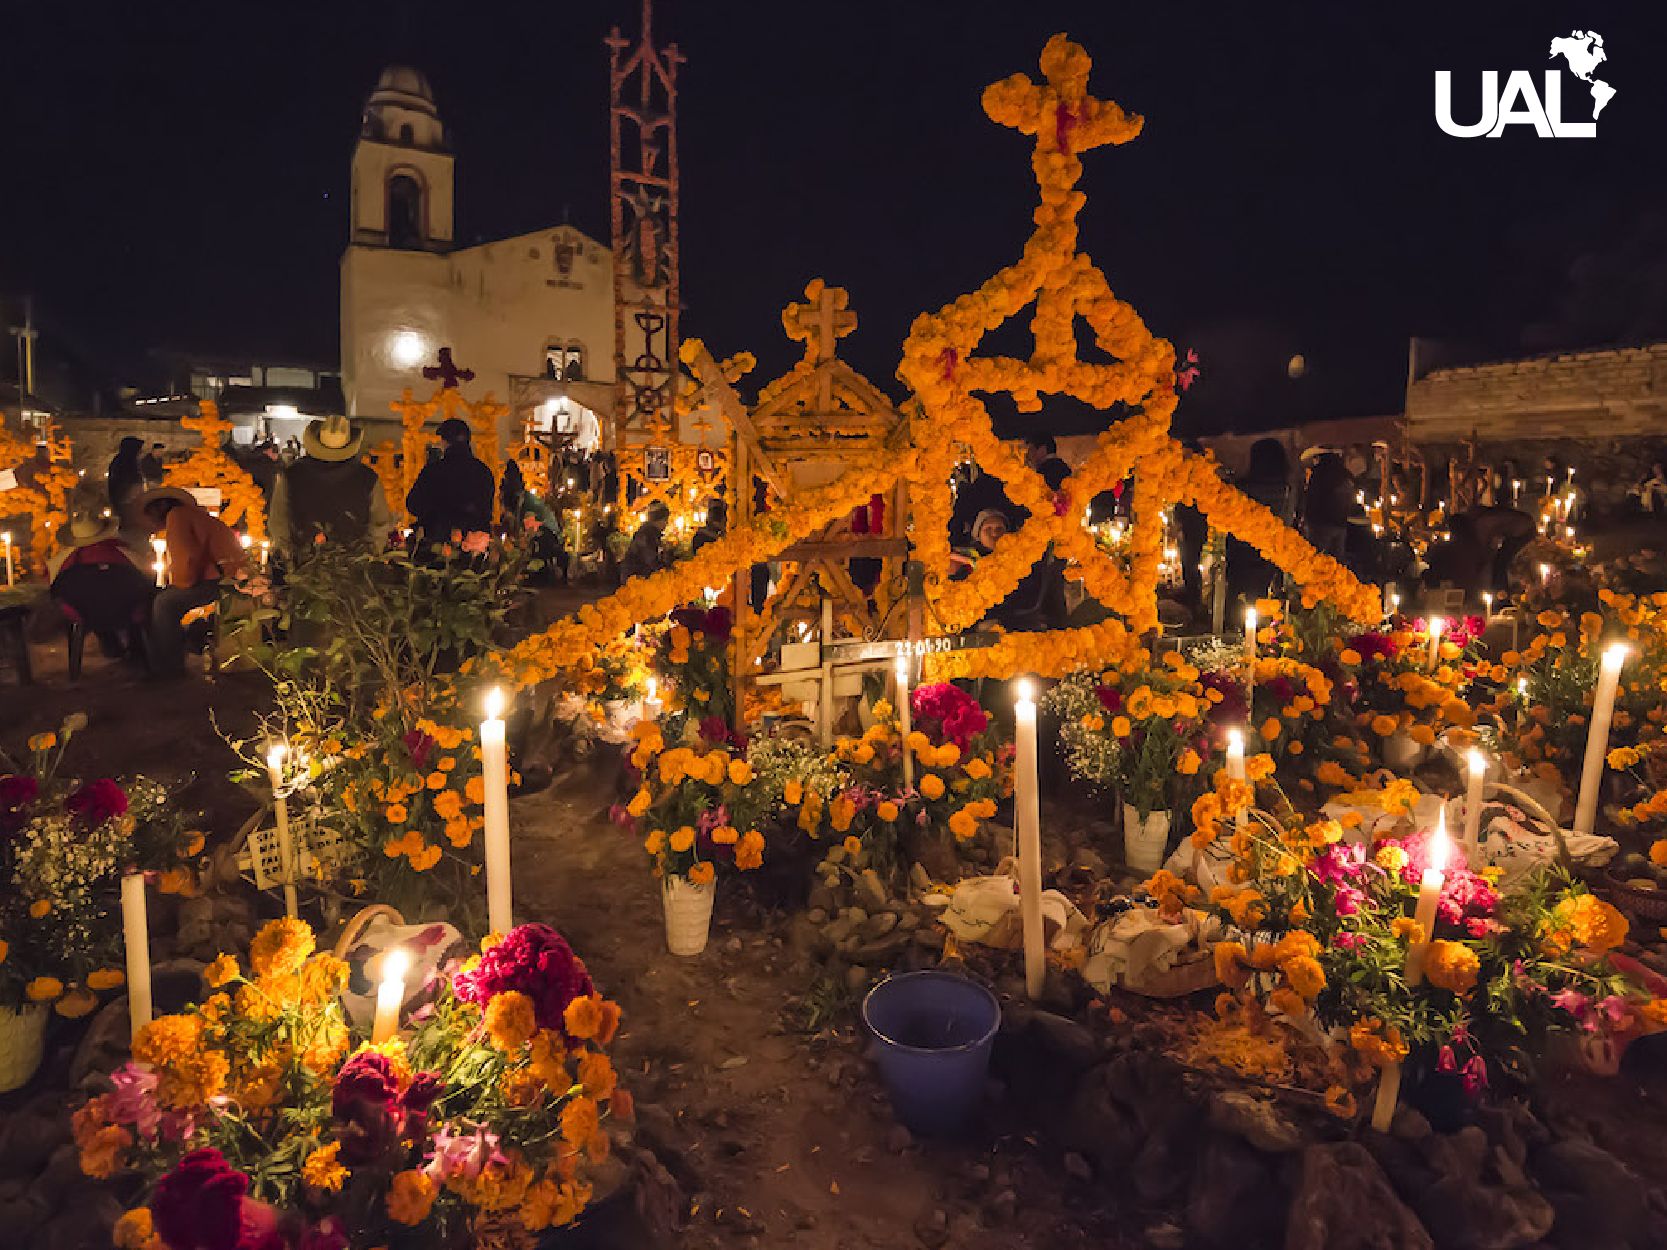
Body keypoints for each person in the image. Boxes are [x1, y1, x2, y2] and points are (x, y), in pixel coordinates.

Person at [138, 486, 246, 677]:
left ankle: (168, 668)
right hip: (227, 576)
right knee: (163, 599)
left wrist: (179, 584)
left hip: (223, 580)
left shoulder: (177, 516)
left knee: (165, 603)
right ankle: (179, 648)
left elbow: (186, 556)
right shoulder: (193, 515)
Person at [267, 416, 394, 558]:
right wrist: (368, 556)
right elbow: (380, 524)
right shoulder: (368, 478)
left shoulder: (292, 474)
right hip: (353, 564)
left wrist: (289, 556)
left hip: (304, 561)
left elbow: (279, 522)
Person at [48, 511, 151, 665]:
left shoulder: (61, 561)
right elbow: (146, 579)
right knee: (139, 600)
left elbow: (54, 587)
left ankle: (110, 644)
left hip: (83, 613)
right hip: (128, 611)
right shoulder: (126, 553)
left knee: (92, 598)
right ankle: (137, 649)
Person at [406, 418, 494, 549]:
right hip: (473, 545)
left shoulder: (434, 470)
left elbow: (414, 505)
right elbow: (485, 509)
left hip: (436, 543)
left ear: (445, 441)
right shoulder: (483, 471)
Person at [1227, 438, 1293, 605]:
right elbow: (1287, 520)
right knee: (1262, 601)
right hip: (1269, 554)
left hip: (1242, 552)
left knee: (1237, 598)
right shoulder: (1285, 490)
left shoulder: (1242, 489)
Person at [1300, 450, 1355, 560]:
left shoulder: (1319, 473)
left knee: (1319, 559)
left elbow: (1312, 497)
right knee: (1337, 562)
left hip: (1320, 523)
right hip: (1340, 522)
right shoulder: (1345, 473)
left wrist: (1305, 518)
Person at [620, 500, 670, 581]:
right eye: (665, 520)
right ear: (659, 520)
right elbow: (650, 559)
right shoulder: (647, 535)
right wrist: (665, 569)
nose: (666, 523)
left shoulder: (650, 533)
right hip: (636, 579)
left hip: (638, 576)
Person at [107, 437, 145, 513]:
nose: (140, 452)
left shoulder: (129, 460)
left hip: (128, 499)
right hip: (125, 499)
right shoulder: (123, 462)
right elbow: (125, 480)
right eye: (138, 449)